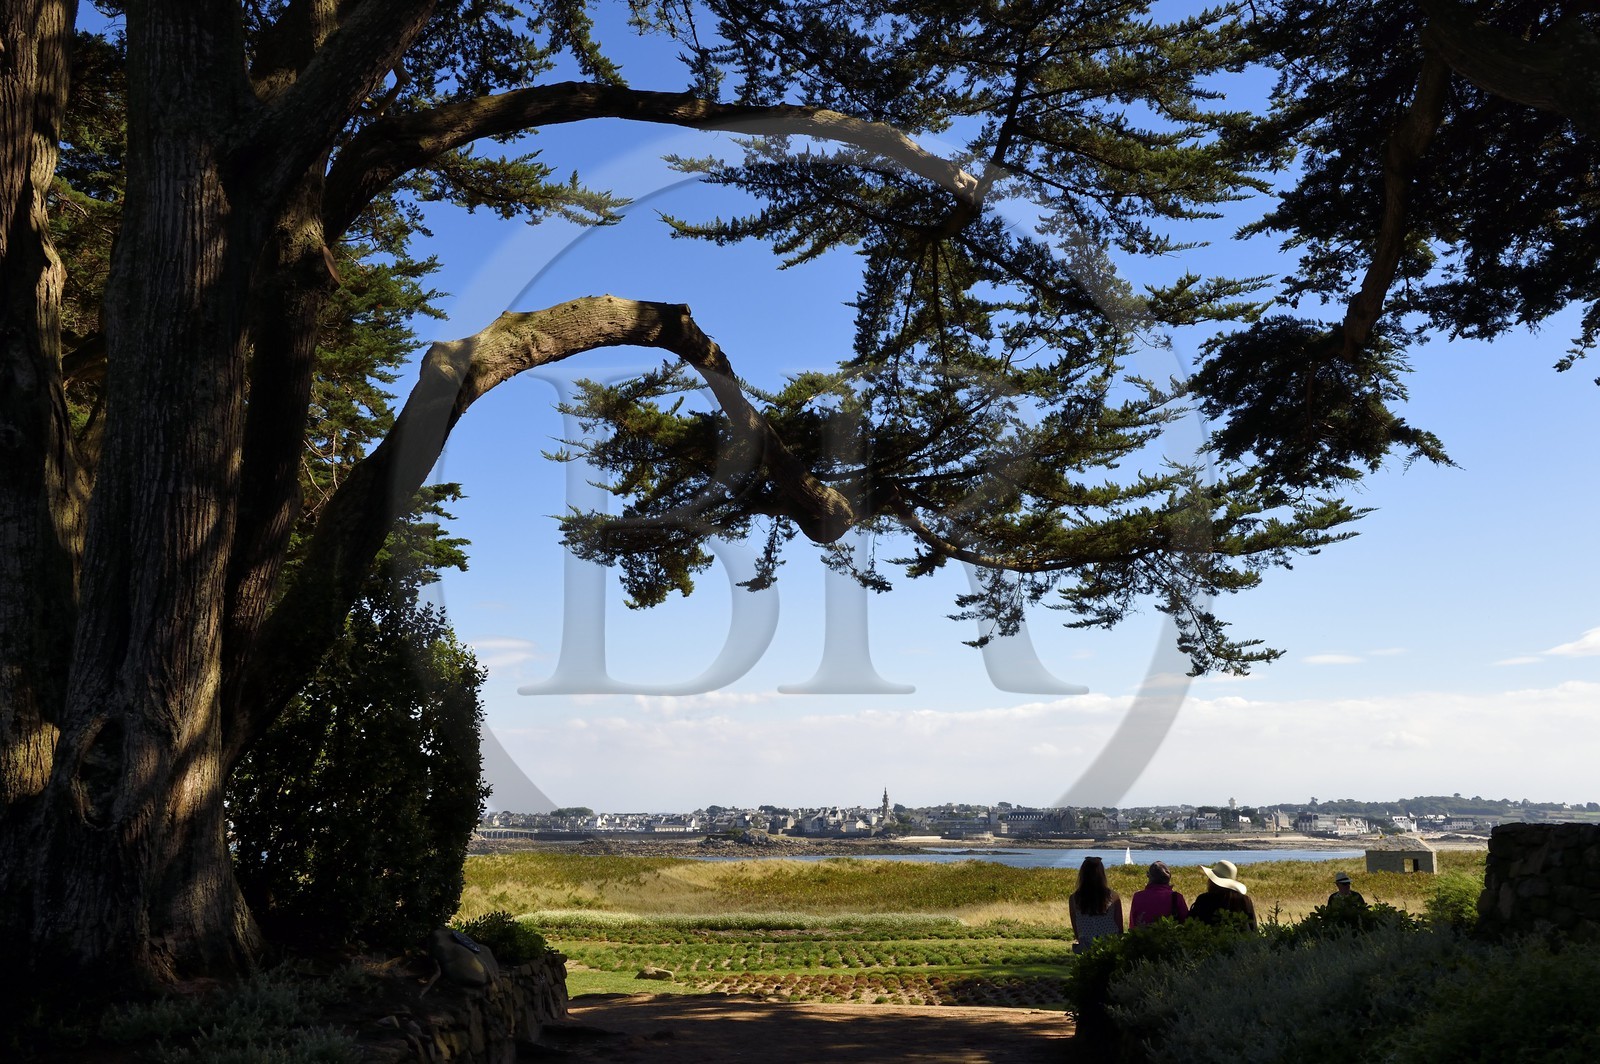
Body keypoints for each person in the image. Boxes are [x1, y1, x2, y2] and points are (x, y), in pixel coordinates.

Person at [1069, 855, 1124, 951]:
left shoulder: (1074, 899)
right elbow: (1119, 928)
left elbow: (1076, 928)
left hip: (1086, 947)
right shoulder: (1113, 896)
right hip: (1110, 946)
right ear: (1102, 874)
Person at [1188, 859, 1257, 931]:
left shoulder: (1204, 899)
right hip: (1240, 941)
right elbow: (1253, 928)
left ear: (1212, 881)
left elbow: (1192, 925)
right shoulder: (1244, 900)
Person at [1129, 861, 1189, 927]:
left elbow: (1133, 925)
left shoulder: (1138, 896)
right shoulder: (1177, 897)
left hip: (1143, 936)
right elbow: (1186, 923)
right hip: (1170, 936)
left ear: (1148, 875)